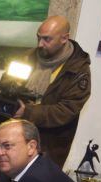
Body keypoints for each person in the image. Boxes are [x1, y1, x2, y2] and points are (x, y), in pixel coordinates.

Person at [14, 15, 91, 168]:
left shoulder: (78, 69)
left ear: (64, 38)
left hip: (48, 147)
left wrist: (29, 112)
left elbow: (67, 110)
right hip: (16, 140)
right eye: (38, 38)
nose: (40, 44)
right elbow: (7, 85)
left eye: (47, 39)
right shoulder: (28, 57)